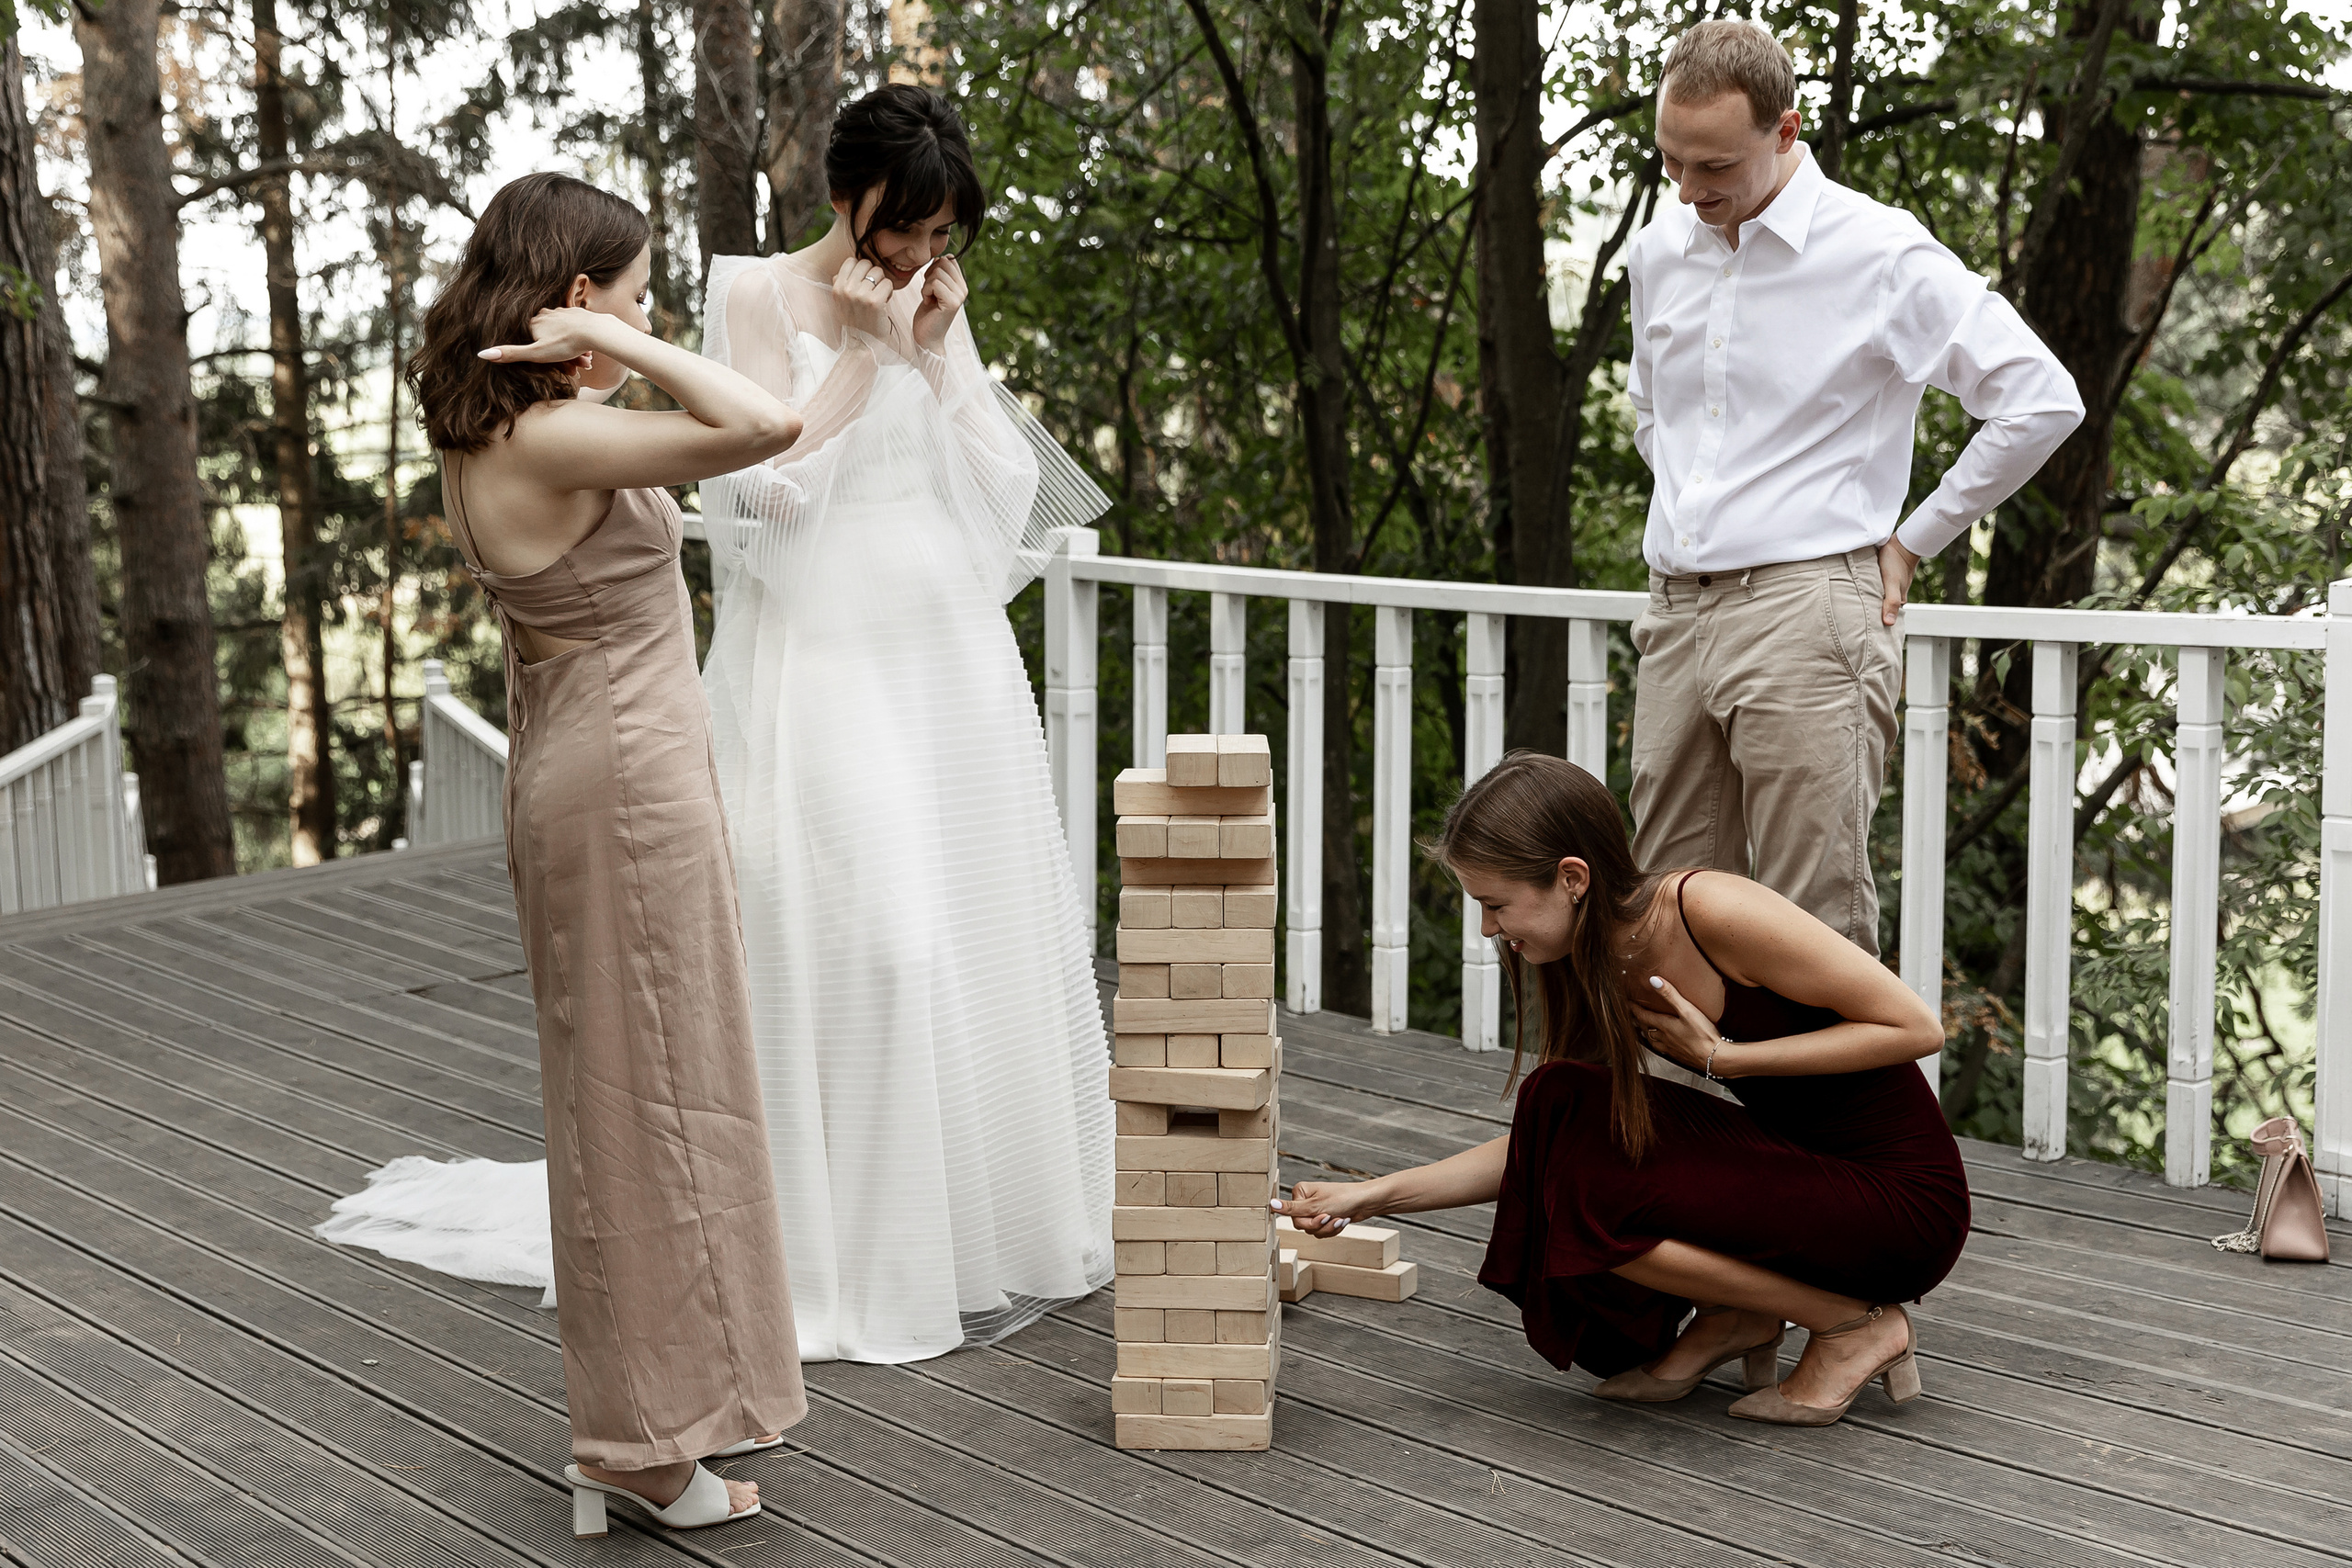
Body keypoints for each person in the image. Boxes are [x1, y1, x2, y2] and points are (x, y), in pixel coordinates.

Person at [407, 171, 805, 1532]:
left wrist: (603, 342)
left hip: (582, 760)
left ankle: (635, 1429)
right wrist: (624, 348)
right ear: (579, 301)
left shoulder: (494, 425)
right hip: (626, 781)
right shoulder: (558, 432)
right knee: (658, 1101)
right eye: (636, 299)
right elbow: (765, 422)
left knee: (632, 1096)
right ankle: (641, 1446)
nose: (649, 322)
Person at [696, 84, 1115, 1363]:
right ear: (843, 201)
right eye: (902, 230)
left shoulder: (933, 298)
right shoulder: (755, 297)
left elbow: (1004, 497)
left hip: (946, 654)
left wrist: (935, 356)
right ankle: (852, 1251)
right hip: (820, 657)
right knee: (876, 939)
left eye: (943, 235)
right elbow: (751, 503)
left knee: (972, 929)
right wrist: (866, 363)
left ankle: (983, 1228)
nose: (921, 258)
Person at [1277, 753, 1970, 1427]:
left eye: (1496, 904)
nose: (1490, 927)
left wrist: (1725, 1059)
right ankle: (1744, 1313)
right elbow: (1548, 1147)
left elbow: (1916, 1025)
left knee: (1594, 1195)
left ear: (1572, 876)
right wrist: (1372, 1194)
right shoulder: (1591, 952)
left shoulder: (1710, 909)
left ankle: (1851, 1323)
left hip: (1902, 1205)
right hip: (1800, 1170)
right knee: (1559, 1102)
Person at [1626, 19, 2084, 953]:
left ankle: (1814, 1110)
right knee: (1660, 910)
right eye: (1671, 160)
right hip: (1675, 613)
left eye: (1713, 166)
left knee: (1808, 924)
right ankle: (1679, 1108)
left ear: (1785, 132)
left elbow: (2040, 400)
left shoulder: (1879, 252)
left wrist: (1914, 538)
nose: (1687, 189)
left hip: (1807, 610)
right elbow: (1652, 410)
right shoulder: (1659, 248)